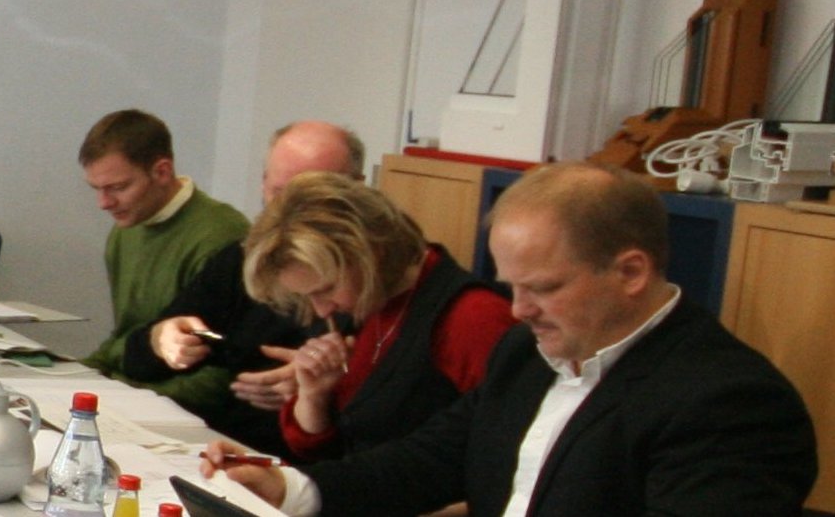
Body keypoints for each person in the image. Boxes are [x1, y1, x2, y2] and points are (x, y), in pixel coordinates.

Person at [207, 163, 818, 516]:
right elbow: (428, 460)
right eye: (512, 287)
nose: (519, 310)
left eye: (543, 288)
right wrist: (289, 487)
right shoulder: (527, 354)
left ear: (631, 272)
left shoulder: (728, 401)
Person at [119, 120, 364, 455]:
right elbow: (137, 358)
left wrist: (324, 386)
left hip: (311, 460)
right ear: (263, 184)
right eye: (280, 193)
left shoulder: (370, 277)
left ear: (357, 191)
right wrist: (162, 340)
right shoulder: (241, 258)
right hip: (221, 444)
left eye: (313, 197)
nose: (293, 213)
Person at [236, 172, 515, 460]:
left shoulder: (472, 319)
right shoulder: (365, 303)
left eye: (327, 289)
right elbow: (324, 452)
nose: (322, 310)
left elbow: (504, 451)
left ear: (371, 254)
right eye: (308, 296)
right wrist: (314, 396)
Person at [76, 109, 251, 426]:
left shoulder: (222, 237)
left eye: (118, 187)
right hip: (131, 395)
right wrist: (76, 376)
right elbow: (126, 336)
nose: (104, 203)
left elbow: (220, 374)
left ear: (162, 171)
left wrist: (123, 397)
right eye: (96, 189)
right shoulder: (126, 229)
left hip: (183, 412)